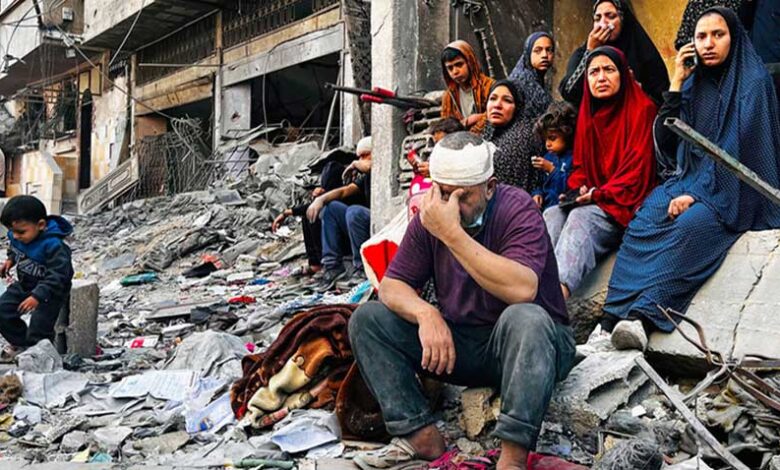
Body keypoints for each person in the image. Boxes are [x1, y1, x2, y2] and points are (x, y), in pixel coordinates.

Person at [349, 132, 575, 470]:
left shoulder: (516, 208)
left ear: (489, 187)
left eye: (463, 196)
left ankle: (513, 458)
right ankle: (419, 435)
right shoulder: (431, 216)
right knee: (367, 320)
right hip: (467, 344)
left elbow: (522, 289)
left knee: (526, 318)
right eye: (442, 192)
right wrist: (426, 313)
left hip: (532, 346)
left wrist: (452, 234)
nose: (450, 205)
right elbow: (392, 286)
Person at [602, 7, 780, 350]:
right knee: (645, 218)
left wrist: (697, 195)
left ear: (734, 38)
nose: (708, 44)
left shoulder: (753, 83)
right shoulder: (695, 83)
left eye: (718, 35)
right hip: (693, 179)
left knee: (690, 226)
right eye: (701, 37)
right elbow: (669, 141)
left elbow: (737, 152)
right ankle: (608, 320)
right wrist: (676, 83)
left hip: (739, 189)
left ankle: (642, 317)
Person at [545, 46, 657, 300]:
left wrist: (598, 194)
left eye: (609, 70)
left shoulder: (643, 110)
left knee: (581, 218)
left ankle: (555, 299)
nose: (601, 77)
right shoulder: (589, 113)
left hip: (622, 203)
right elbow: (580, 167)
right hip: (595, 198)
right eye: (594, 72)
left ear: (623, 74)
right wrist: (578, 189)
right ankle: (530, 286)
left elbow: (636, 173)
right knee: (552, 214)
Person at [0, 195, 74, 360]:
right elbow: (15, 247)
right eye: (12, 231)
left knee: (39, 327)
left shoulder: (54, 246)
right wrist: (10, 260)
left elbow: (58, 276)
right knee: (3, 310)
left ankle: (40, 357)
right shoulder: (18, 235)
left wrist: (37, 296)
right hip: (26, 284)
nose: (15, 236)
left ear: (40, 225)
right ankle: (22, 344)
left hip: (51, 291)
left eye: (21, 232)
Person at [559, 0, 669, 106]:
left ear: (623, 20)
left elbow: (661, 98)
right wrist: (590, 52)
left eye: (610, 16)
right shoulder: (583, 53)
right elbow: (569, 92)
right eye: (597, 19)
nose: (603, 24)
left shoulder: (642, 52)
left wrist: (634, 87)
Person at [306, 136, 373, 292]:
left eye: (365, 155)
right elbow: (345, 191)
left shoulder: (381, 166)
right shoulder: (365, 176)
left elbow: (372, 165)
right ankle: (332, 267)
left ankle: (361, 268)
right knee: (331, 208)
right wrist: (321, 199)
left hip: (382, 222)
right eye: (359, 157)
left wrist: (355, 164)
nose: (361, 160)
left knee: (354, 211)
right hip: (364, 226)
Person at [272, 160, 353, 277]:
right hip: (340, 238)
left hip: (349, 240)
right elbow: (309, 208)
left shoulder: (349, 190)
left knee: (319, 212)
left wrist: (322, 198)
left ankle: (327, 264)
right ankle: (316, 263)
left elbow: (337, 197)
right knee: (309, 213)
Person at [483, 80, 543, 193]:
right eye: (493, 98)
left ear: (518, 107)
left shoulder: (520, 137)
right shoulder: (488, 131)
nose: (497, 105)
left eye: (507, 100)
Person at [440, 40, 495, 134]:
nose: (455, 72)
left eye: (459, 64)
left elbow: (498, 114)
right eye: (450, 68)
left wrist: (478, 118)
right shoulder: (449, 96)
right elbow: (445, 125)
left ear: (470, 62)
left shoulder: (489, 86)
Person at [530, 102, 577, 210]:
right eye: (545, 139)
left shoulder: (573, 158)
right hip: (546, 208)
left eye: (552, 138)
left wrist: (552, 170)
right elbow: (540, 182)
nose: (548, 144)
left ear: (567, 134)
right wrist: (537, 194)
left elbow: (569, 187)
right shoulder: (548, 157)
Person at [509, 32, 555, 121]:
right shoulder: (521, 81)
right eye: (538, 51)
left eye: (549, 50)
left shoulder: (539, 80)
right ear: (528, 53)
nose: (545, 55)